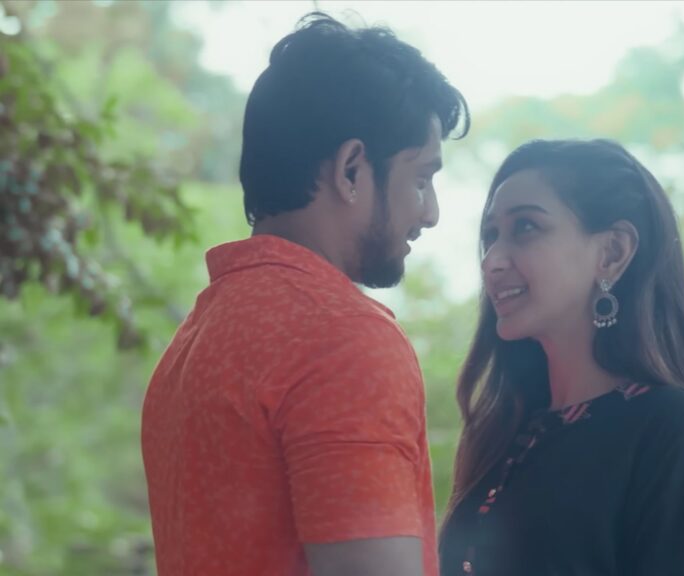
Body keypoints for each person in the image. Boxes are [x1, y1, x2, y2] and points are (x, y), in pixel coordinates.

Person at [141, 13, 468, 576]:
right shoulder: (342, 341)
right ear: (351, 169)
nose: (431, 212)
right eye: (420, 178)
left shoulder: (195, 341)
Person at [439, 139, 684, 576]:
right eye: (490, 236)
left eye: (525, 227)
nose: (492, 261)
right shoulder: (508, 431)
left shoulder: (671, 430)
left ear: (612, 252)